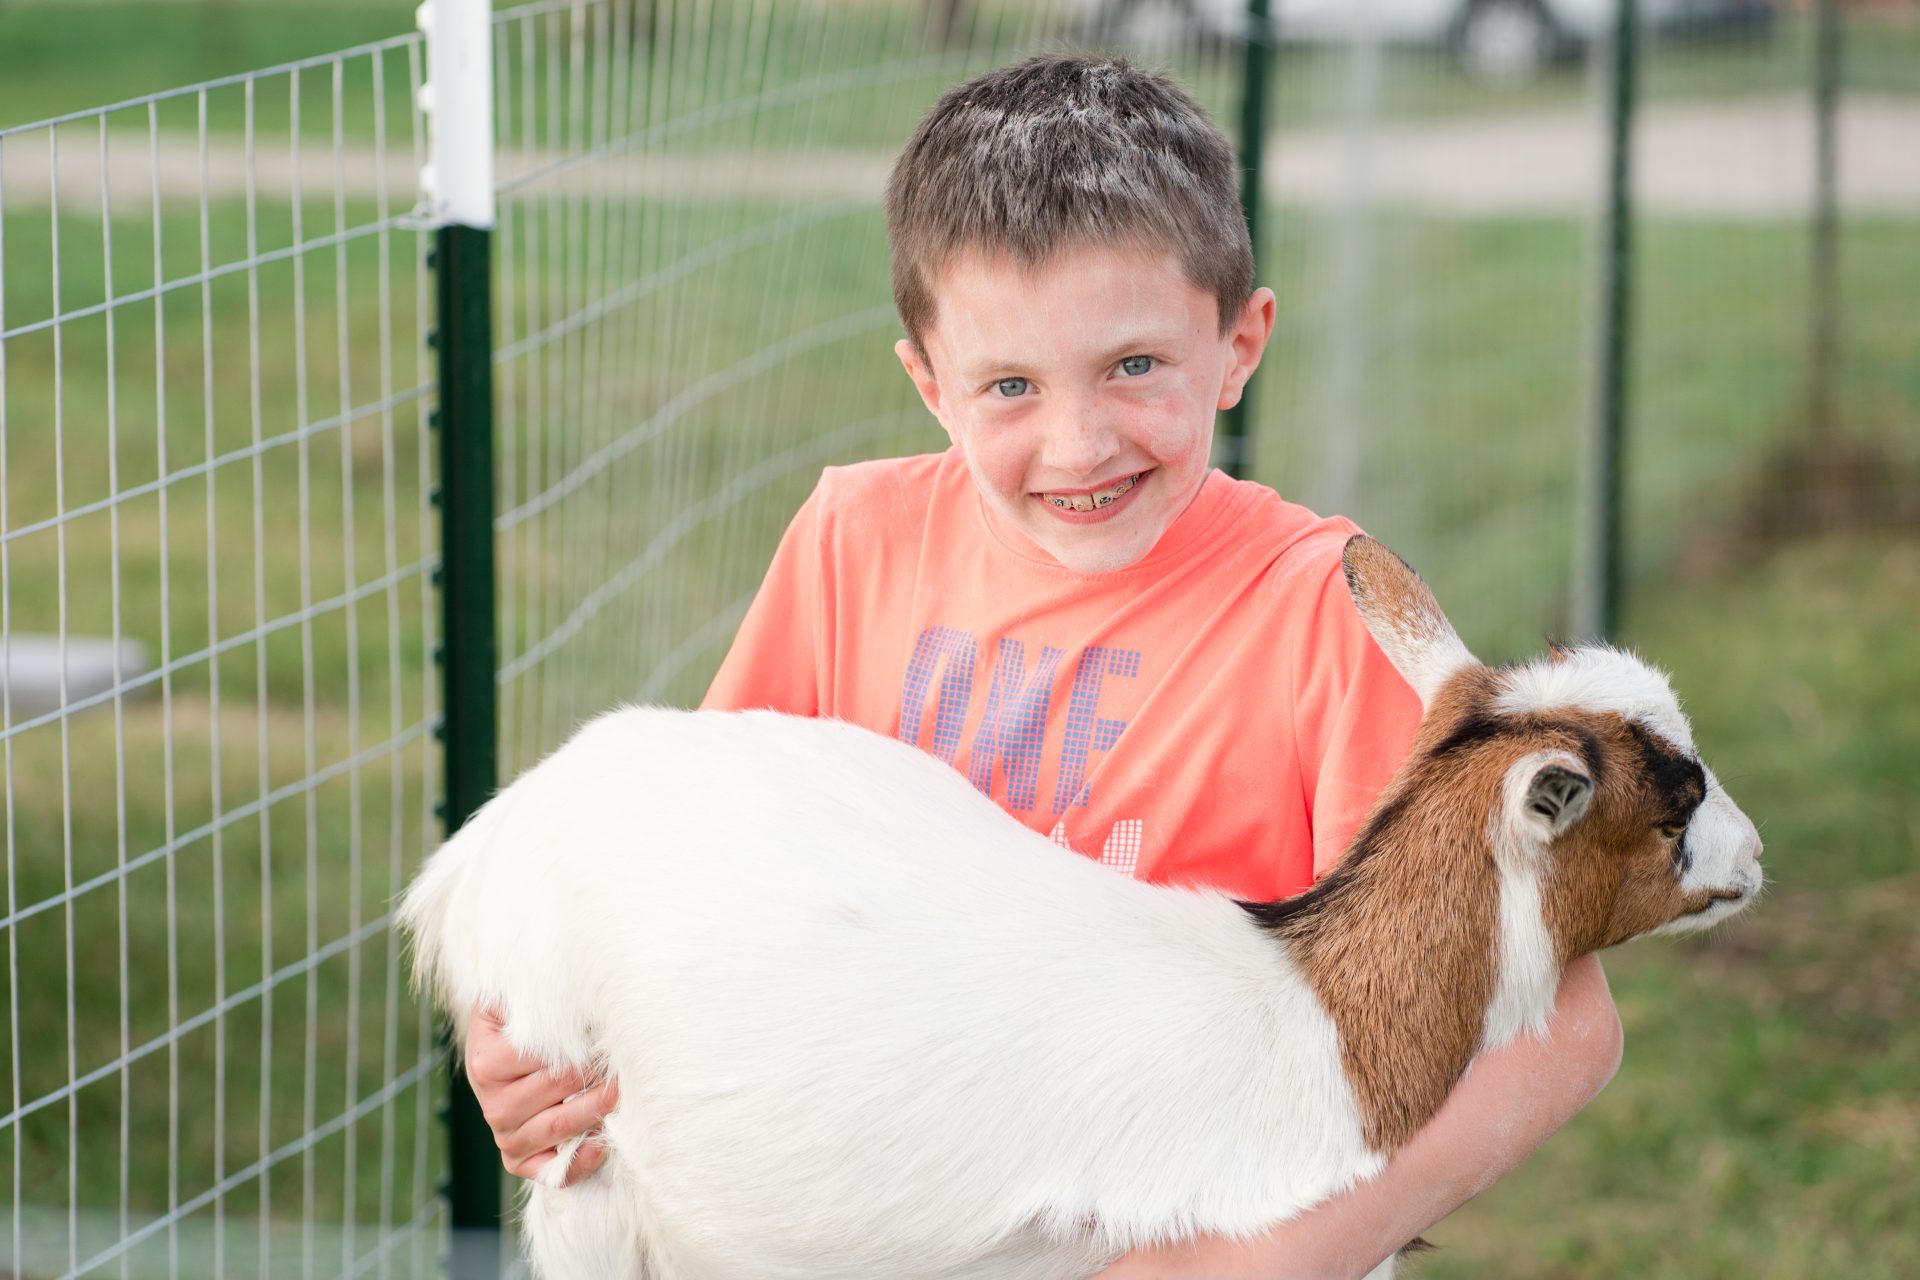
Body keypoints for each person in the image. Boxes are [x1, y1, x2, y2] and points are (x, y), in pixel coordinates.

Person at [460, 53, 1623, 1278]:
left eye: (1134, 366)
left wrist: (1273, 1259)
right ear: (927, 383)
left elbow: (1566, 1026)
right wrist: (530, 1051)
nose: (1079, 442)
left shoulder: (1326, 612)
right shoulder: (854, 542)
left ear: (1238, 342)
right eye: (1010, 384)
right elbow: (679, 875)